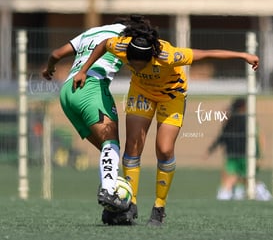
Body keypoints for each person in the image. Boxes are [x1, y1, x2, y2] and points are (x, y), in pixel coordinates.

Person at [72, 15, 259, 226]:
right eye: (131, 63)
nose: (135, 67)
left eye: (139, 64)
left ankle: (159, 206)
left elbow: (205, 54)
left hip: (171, 96)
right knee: (133, 145)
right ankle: (130, 203)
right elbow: (104, 44)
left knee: (164, 148)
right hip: (141, 93)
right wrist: (83, 70)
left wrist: (242, 55)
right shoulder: (124, 46)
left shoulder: (169, 55)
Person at [42, 20, 133, 216]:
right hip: (90, 86)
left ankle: (112, 208)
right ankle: (109, 193)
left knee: (107, 151)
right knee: (111, 143)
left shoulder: (89, 33)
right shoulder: (126, 35)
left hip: (67, 92)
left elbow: (56, 54)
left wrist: (49, 69)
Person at [206, 98, 272, 201]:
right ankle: (228, 193)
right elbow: (223, 136)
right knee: (239, 176)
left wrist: (211, 150)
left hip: (238, 154)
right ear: (243, 107)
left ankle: (230, 193)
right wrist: (259, 154)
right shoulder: (244, 120)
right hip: (241, 154)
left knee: (242, 176)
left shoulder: (240, 119)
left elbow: (222, 137)